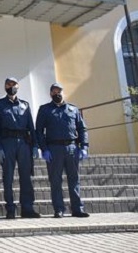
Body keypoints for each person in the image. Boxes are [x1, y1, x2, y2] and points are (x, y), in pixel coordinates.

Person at [36, 83, 90, 218]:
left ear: (63, 92)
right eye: (54, 91)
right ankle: (59, 209)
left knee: (74, 179)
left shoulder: (73, 109)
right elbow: (39, 131)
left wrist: (84, 146)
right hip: (53, 149)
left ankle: (77, 209)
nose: (57, 94)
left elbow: (82, 128)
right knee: (55, 180)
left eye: (59, 91)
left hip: (72, 148)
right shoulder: (45, 109)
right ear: (50, 94)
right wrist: (44, 149)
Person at [0, 77, 40, 219]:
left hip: (24, 143)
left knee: (26, 177)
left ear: (18, 86)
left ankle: (27, 208)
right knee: (8, 177)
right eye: (8, 84)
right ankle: (10, 209)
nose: (11, 86)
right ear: (5, 86)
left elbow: (31, 126)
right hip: (7, 143)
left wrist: (35, 145)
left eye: (13, 84)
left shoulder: (25, 105)